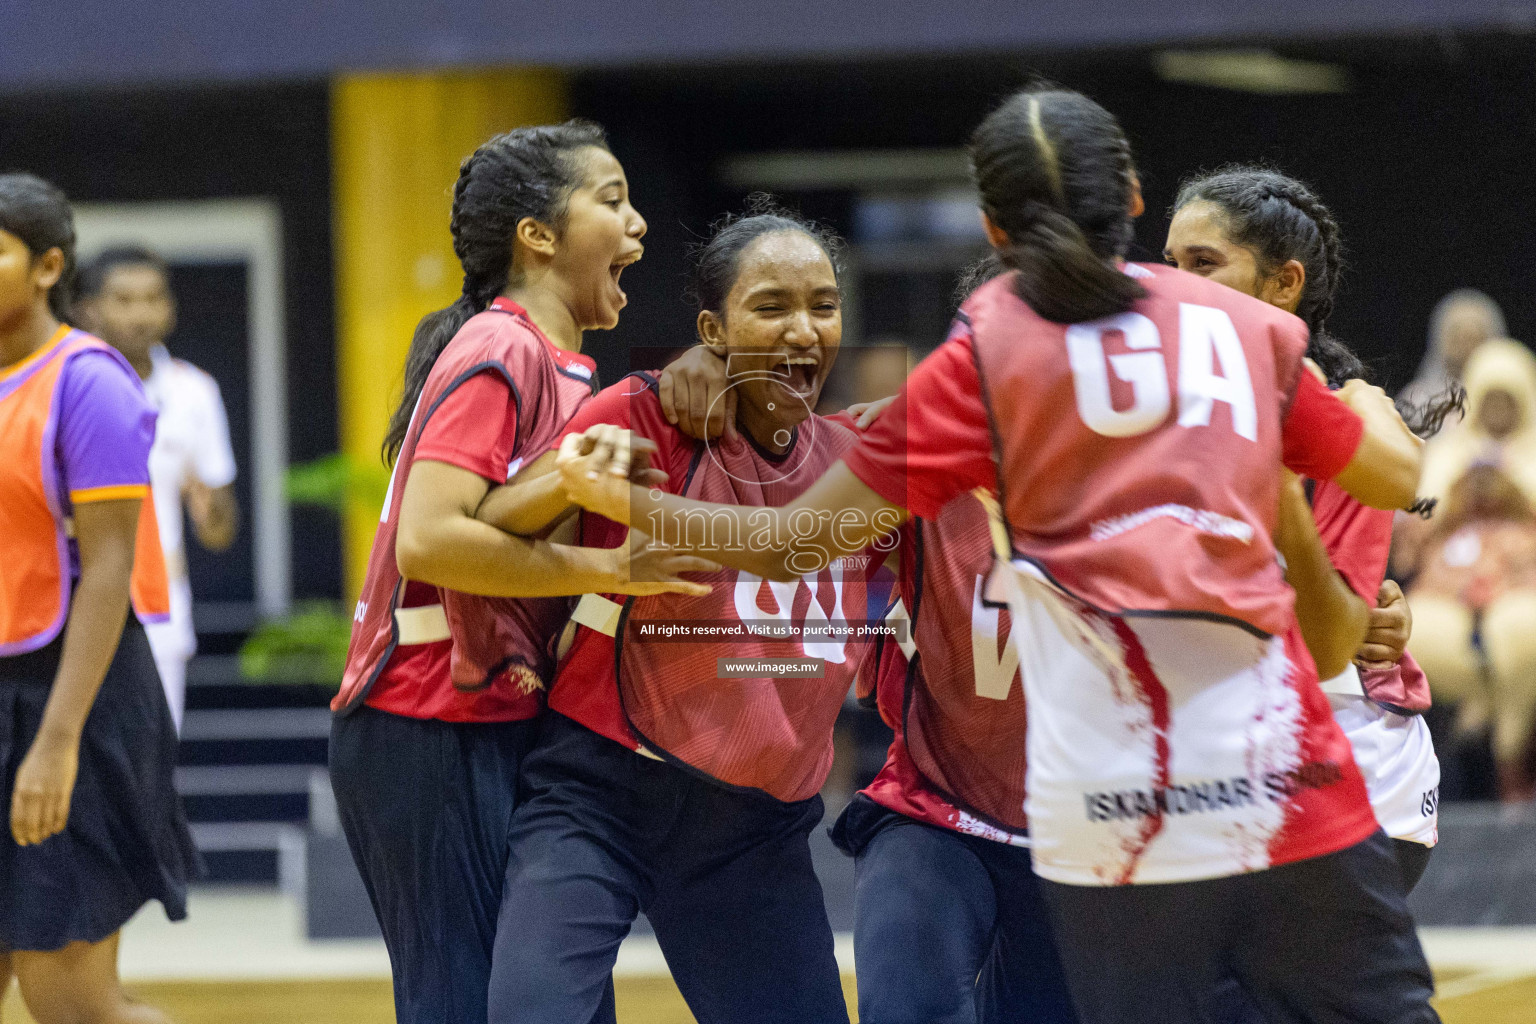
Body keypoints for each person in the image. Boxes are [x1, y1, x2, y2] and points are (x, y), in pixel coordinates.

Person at [554, 88, 1436, 1024]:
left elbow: (785, 543)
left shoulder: (982, 358)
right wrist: (1347, 423)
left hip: (1114, 814)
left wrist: (625, 501)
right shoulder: (1237, 327)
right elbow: (1393, 472)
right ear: (1133, 201)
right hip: (1279, 779)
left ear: (990, 223)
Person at [327, 122, 724, 1024]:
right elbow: (430, 541)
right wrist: (610, 567)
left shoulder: (555, 365)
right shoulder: (501, 349)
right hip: (424, 720)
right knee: (460, 1005)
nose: (639, 225)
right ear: (537, 236)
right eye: (612, 200)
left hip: (490, 716)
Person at [479, 204, 880, 1024]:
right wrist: (569, 482)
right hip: (599, 794)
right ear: (714, 326)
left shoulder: (864, 460)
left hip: (753, 833)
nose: (803, 328)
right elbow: (492, 531)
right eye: (770, 306)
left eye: (823, 305)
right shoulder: (641, 415)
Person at [1166, 166, 1441, 885]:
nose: (1177, 287)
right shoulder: (1149, 409)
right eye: (1169, 265)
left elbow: (1332, 643)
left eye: (1204, 263)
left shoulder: (1352, 418)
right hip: (1210, 752)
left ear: (1283, 283)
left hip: (1350, 753)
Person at [0, 173, 197, 1024]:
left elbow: (109, 572)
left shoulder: (89, 384)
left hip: (73, 699)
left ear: (46, 266)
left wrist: (54, 745)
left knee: (72, 1003)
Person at [74, 246, 238, 732]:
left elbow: (220, 532)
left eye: (151, 298)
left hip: (160, 609)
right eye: (123, 300)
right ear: (90, 309)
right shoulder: (68, 384)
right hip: (73, 603)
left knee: (151, 774)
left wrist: (210, 512)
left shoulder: (196, 392)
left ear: (169, 307)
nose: (139, 314)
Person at [1407, 339, 1536, 802]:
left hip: (1523, 584)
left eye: (1509, 400)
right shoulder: (1447, 456)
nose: (1499, 411)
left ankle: (1511, 753)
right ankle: (1429, 763)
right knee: (1414, 630)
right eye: (1491, 399)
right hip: (1451, 587)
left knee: (1525, 632)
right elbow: (1417, 533)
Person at [1399, 288, 1506, 415]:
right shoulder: (1416, 399)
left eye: (1474, 340)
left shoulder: (1509, 397)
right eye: (1458, 339)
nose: (1466, 348)